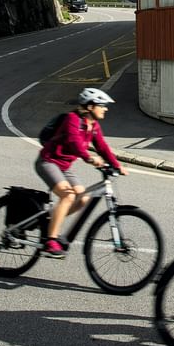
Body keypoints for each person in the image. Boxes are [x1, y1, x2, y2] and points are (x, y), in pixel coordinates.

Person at [35, 87, 127, 258]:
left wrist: (116, 165)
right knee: (68, 196)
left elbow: (102, 146)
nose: (105, 108)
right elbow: (73, 142)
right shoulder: (72, 119)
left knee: (82, 198)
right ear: (90, 106)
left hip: (64, 167)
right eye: (102, 105)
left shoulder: (93, 126)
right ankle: (51, 240)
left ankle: (53, 219)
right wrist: (89, 158)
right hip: (48, 162)